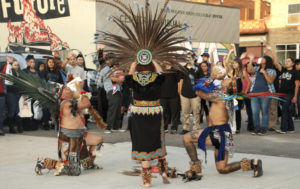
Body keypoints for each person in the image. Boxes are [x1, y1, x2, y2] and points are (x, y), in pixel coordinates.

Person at [182, 70, 263, 182]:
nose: (226, 78)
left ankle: (196, 171)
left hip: (218, 133)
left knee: (186, 138)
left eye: (229, 79)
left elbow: (197, 91)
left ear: (229, 86)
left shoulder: (219, 96)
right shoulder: (226, 96)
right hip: (225, 133)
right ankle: (253, 163)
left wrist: (212, 77)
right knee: (222, 169)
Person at [35, 83, 104, 176]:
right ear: (61, 94)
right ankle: (43, 162)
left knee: (98, 139)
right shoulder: (66, 104)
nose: (70, 89)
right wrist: (81, 91)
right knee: (74, 171)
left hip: (81, 135)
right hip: (69, 139)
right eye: (66, 89)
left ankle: (88, 164)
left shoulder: (71, 101)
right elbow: (86, 103)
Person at [126, 61, 170, 187]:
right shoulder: (157, 78)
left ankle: (146, 181)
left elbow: (128, 79)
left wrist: (132, 67)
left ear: (138, 66)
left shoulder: (134, 78)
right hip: (154, 113)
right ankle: (163, 171)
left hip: (139, 114)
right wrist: (156, 63)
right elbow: (163, 75)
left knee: (142, 143)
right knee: (157, 139)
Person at [270, 47, 299, 133]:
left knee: (284, 110)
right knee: (286, 110)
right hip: (281, 94)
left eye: (289, 61)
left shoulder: (295, 72)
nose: (286, 62)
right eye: (286, 61)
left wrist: (295, 96)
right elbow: (275, 63)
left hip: (290, 94)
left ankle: (283, 129)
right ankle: (291, 128)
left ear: (293, 64)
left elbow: (297, 85)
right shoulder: (283, 71)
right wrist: (272, 51)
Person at [247, 53, 277, 135]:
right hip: (254, 94)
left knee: (265, 112)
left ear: (266, 61)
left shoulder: (272, 70)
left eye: (263, 58)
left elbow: (270, 81)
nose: (261, 59)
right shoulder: (257, 68)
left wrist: (264, 72)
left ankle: (264, 129)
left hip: (266, 94)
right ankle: (257, 129)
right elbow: (249, 70)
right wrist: (250, 60)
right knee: (255, 112)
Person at [225, 48, 251, 134]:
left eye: (235, 63)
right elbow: (226, 63)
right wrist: (229, 53)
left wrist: (246, 92)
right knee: (230, 111)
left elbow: (249, 82)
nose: (233, 64)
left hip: (239, 95)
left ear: (239, 64)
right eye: (233, 63)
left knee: (238, 111)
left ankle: (238, 128)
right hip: (231, 94)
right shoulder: (231, 71)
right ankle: (231, 126)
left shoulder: (242, 72)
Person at [179, 53, 202, 134]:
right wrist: (180, 92)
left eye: (189, 57)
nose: (188, 59)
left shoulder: (198, 68)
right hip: (184, 94)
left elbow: (201, 81)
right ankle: (186, 128)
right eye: (186, 57)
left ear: (193, 58)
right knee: (185, 112)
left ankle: (196, 127)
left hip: (195, 95)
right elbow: (181, 80)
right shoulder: (183, 68)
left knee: (196, 112)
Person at [99, 63, 124, 133]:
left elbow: (120, 82)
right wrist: (121, 79)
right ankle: (108, 127)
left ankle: (116, 127)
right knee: (112, 109)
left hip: (118, 89)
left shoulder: (116, 69)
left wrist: (120, 79)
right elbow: (113, 78)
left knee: (118, 109)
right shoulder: (106, 69)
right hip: (111, 90)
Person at [160, 64, 180, 134]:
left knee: (175, 112)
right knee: (164, 112)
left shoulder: (175, 70)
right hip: (162, 95)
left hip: (173, 95)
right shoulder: (160, 69)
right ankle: (164, 127)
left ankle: (174, 127)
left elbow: (179, 80)